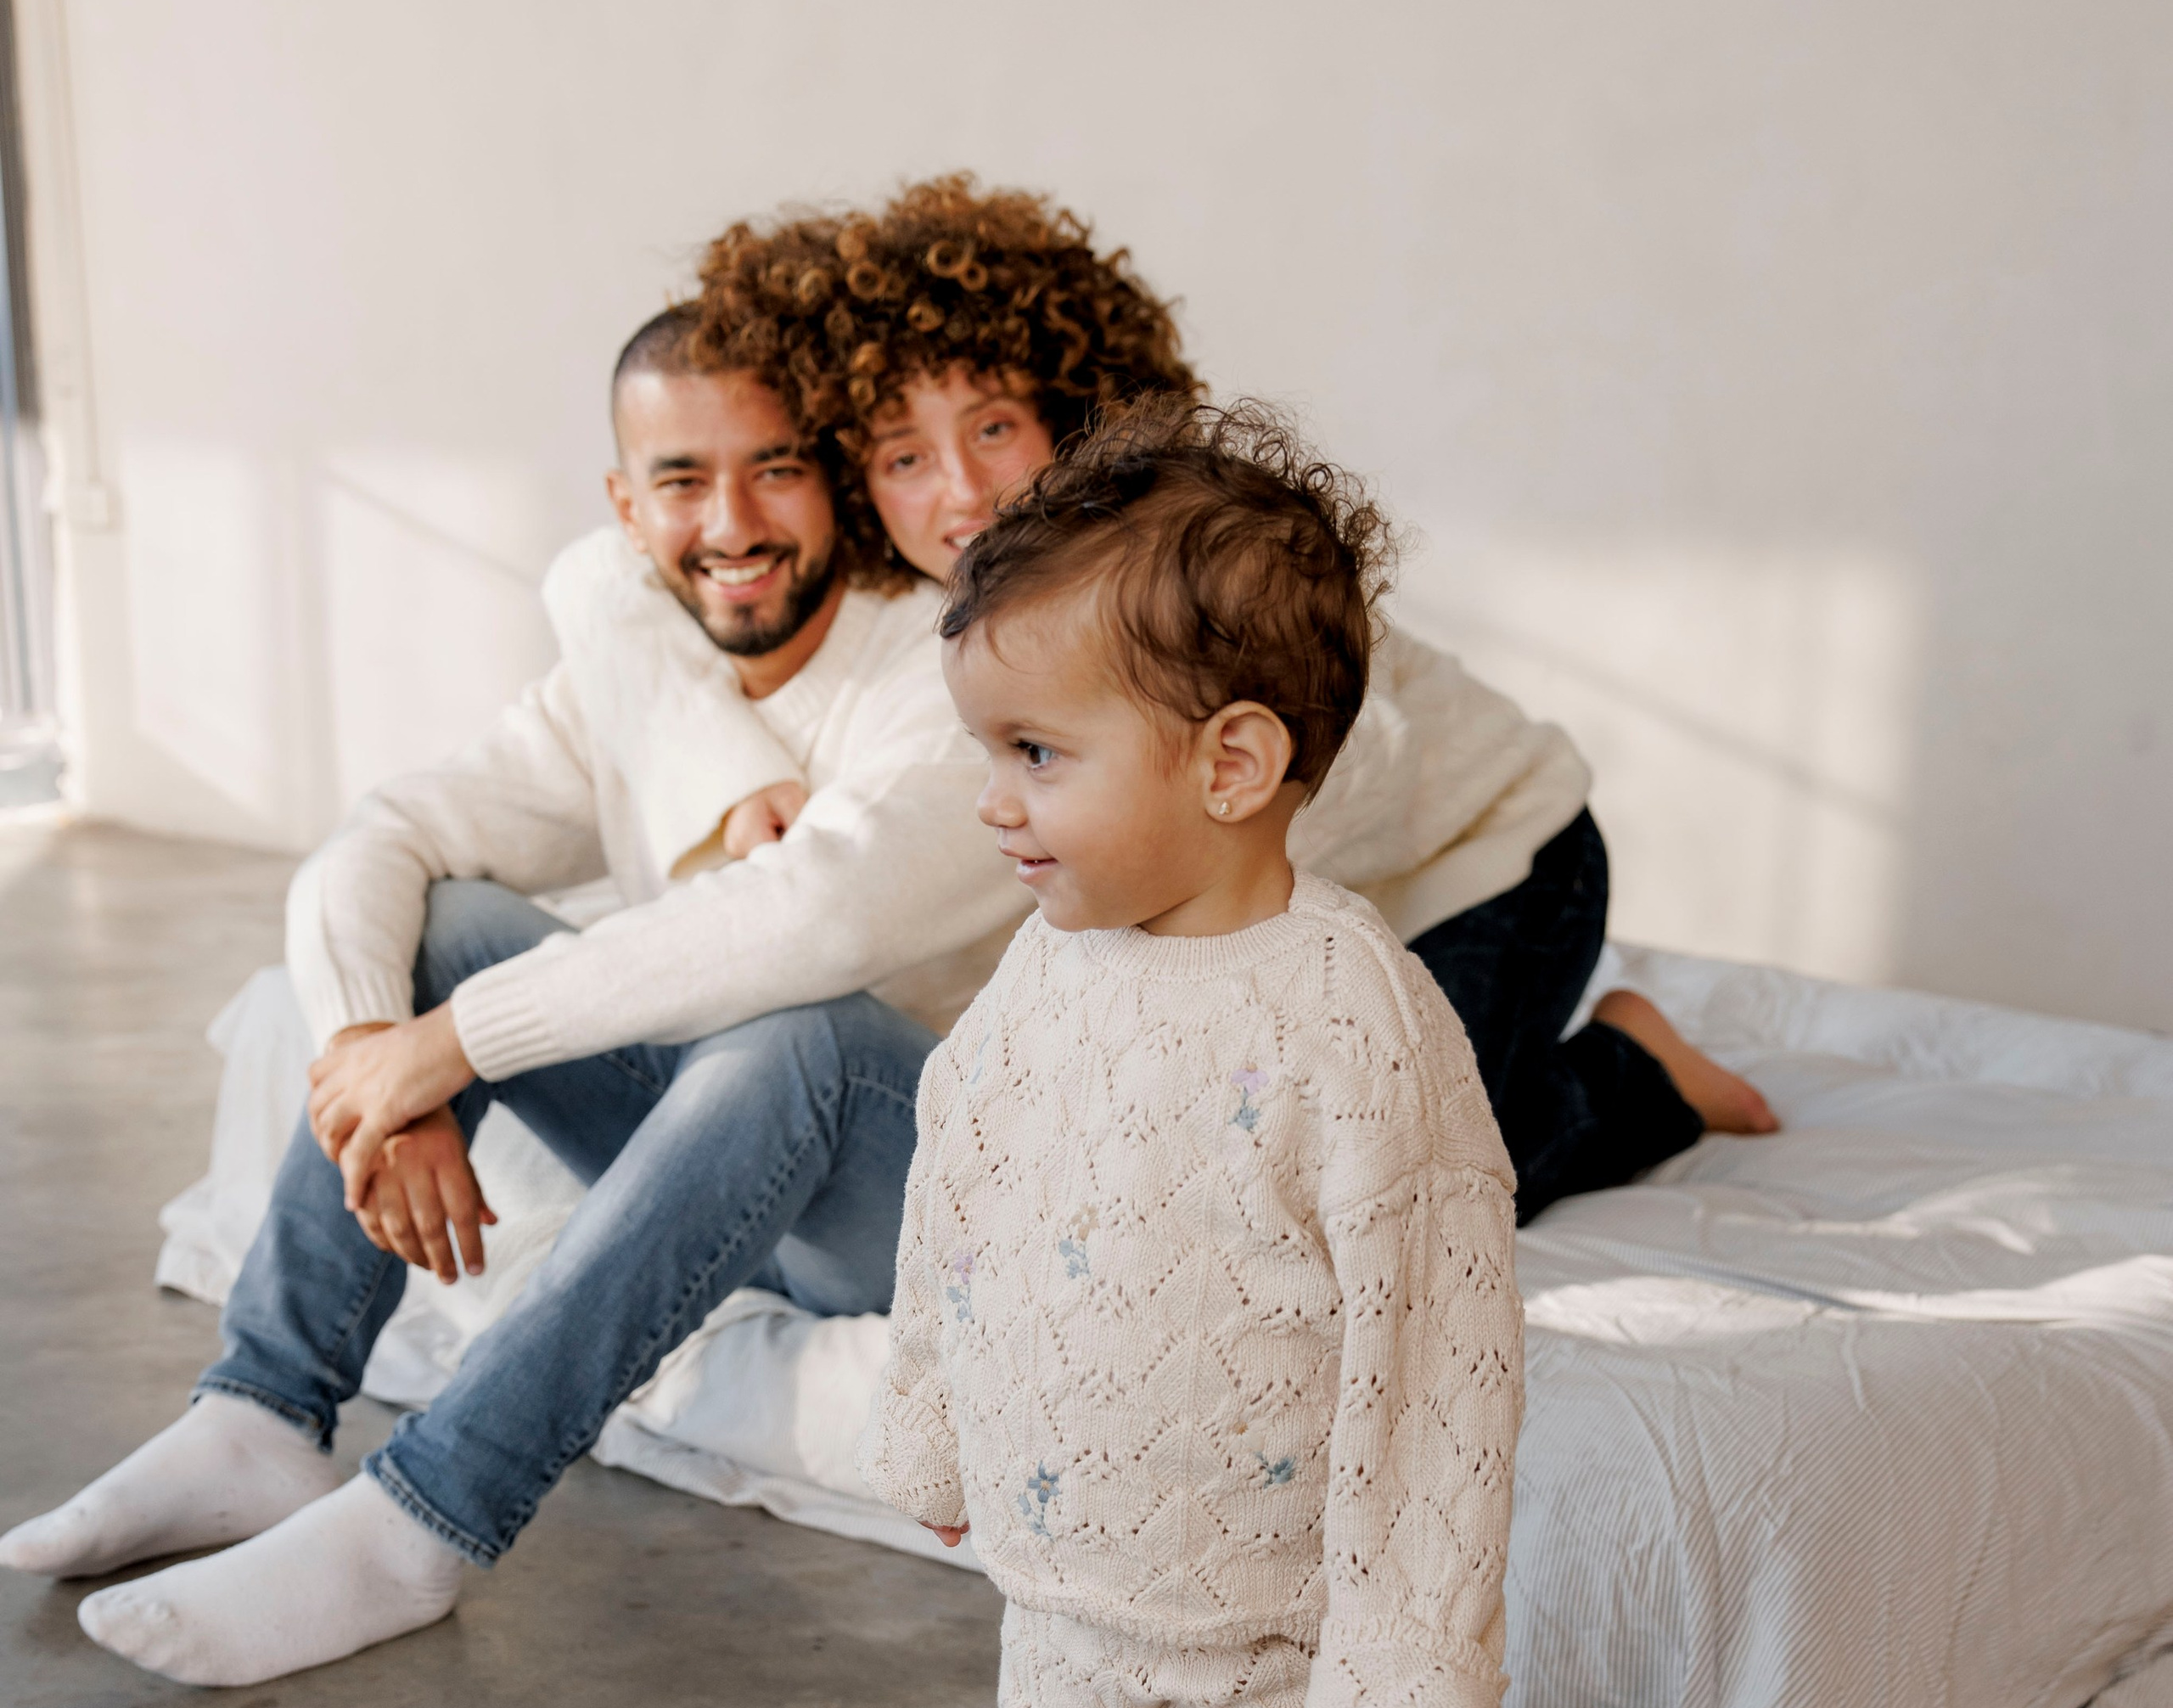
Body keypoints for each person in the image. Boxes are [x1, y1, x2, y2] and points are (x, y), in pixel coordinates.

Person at [1, 308, 1025, 1682]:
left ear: (835, 476)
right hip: (725, 1167)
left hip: (929, 1192)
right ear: (623, 508)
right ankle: (263, 1412)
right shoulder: (631, 678)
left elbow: (816, 917)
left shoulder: (943, 663)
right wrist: (380, 1054)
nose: (731, 521)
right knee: (451, 920)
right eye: (680, 481)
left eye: (775, 469)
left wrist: (452, 1047)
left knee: (808, 1040)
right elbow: (376, 839)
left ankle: (425, 1521)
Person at [861, 401, 1525, 1708]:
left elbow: (1440, 1342)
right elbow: (956, 1198)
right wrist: (931, 1429)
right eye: (985, 748)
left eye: (1035, 754)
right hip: (1068, 1563)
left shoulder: (1354, 1021)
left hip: (1280, 1613)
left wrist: (1410, 1618)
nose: (993, 800)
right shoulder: (1043, 966)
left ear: (1232, 760)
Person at [660, 174, 1776, 1206]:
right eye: (903, 457)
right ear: (860, 489)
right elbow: (604, 583)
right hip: (1336, 918)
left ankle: (1638, 1075)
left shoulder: (1175, 565)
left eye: (994, 427)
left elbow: (1338, 795)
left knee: (1371, 1209)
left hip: (1494, 864)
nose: (959, 490)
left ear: (1069, 404)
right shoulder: (965, 623)